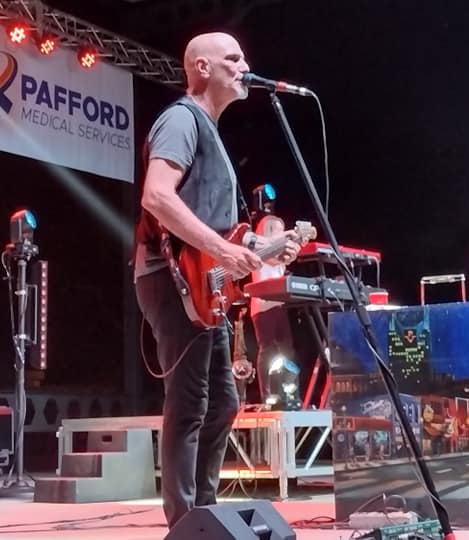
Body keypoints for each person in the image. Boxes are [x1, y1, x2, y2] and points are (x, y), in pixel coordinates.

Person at [132, 32, 299, 528]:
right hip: (172, 279)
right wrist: (224, 248)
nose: (245, 65)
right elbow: (157, 196)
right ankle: (185, 522)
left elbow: (222, 238)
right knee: (188, 401)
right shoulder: (182, 119)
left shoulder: (210, 130)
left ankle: (203, 515)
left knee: (224, 400)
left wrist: (266, 249)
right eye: (233, 58)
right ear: (201, 68)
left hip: (203, 283)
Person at [247, 184, 296, 406]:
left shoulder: (274, 228)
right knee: (267, 347)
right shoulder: (260, 231)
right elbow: (266, 257)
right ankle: (266, 393)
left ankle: (288, 390)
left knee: (286, 346)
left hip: (278, 300)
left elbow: (279, 262)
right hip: (263, 301)